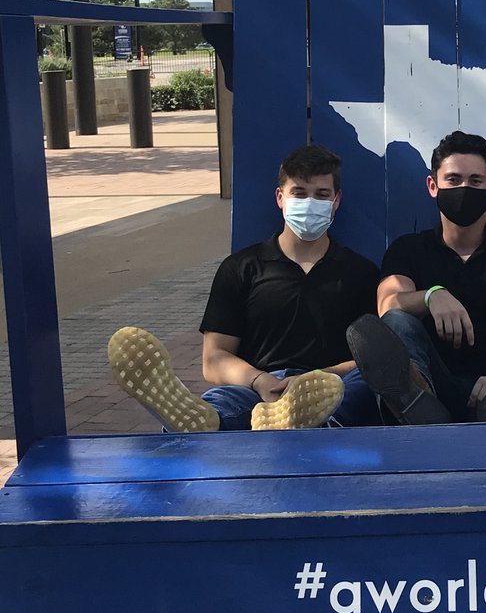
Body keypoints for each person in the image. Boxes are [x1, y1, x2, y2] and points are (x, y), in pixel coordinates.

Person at [107, 144, 380, 432]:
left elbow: (372, 356)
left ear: (336, 201)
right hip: (256, 387)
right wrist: (261, 381)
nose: (310, 202)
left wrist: (314, 380)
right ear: (280, 198)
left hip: (327, 384)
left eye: (321, 194)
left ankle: (292, 422)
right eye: (299, 193)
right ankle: (204, 421)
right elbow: (213, 360)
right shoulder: (241, 268)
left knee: (357, 386)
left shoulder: (360, 272)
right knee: (222, 402)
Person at [347, 130, 486, 424]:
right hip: (434, 389)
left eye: (475, 181)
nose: (464, 188)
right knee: (396, 321)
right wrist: (432, 295)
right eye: (453, 180)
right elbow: (389, 305)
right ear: (433, 185)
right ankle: (414, 400)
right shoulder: (409, 249)